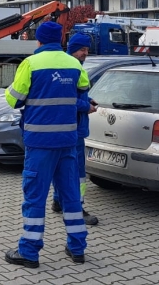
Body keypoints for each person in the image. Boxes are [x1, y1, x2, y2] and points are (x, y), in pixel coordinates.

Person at [4, 21, 90, 268]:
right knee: (71, 196)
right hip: (67, 142)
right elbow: (83, 90)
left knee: (35, 197)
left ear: (38, 41)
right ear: (61, 40)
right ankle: (77, 248)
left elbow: (14, 99)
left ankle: (29, 252)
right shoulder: (74, 63)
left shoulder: (30, 64)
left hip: (40, 143)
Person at [50, 33, 99, 226]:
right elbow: (68, 100)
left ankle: (57, 200)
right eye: (82, 50)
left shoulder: (69, 67)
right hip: (75, 127)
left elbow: (70, 95)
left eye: (87, 50)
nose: (85, 53)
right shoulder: (73, 68)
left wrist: (87, 100)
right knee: (77, 172)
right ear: (72, 50)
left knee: (61, 167)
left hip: (68, 126)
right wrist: (86, 106)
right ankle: (77, 208)